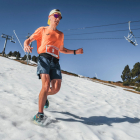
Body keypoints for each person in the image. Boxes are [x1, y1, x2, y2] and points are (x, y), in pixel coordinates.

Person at [24, 9, 83, 124]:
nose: (58, 18)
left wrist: (75, 52)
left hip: (55, 62)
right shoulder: (42, 29)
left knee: (56, 89)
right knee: (45, 85)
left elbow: (62, 50)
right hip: (44, 59)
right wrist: (26, 44)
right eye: (56, 15)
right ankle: (39, 115)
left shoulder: (61, 34)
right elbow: (29, 39)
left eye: (60, 17)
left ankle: (44, 96)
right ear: (50, 17)